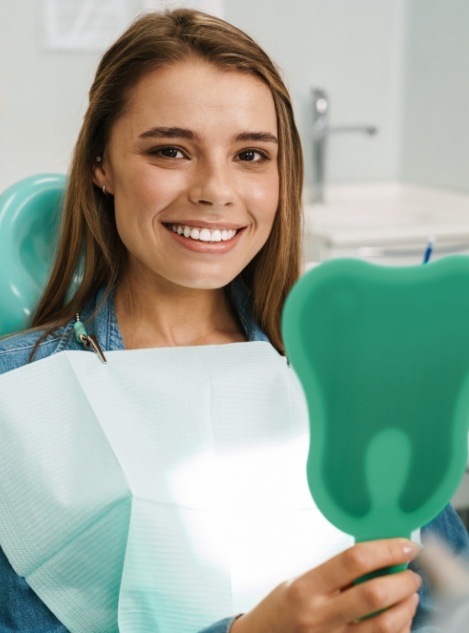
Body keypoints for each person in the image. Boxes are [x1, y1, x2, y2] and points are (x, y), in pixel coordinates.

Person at [0, 8, 467, 633]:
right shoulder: (19, 402)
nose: (216, 190)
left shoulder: (343, 373)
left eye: (251, 154)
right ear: (100, 165)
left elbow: (448, 589)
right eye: (170, 150)